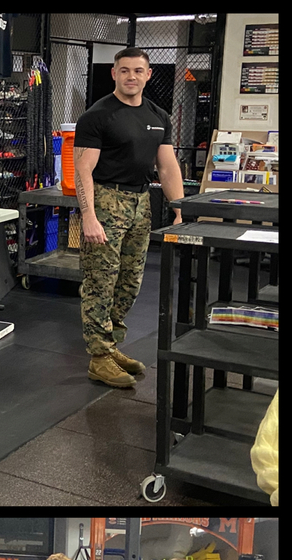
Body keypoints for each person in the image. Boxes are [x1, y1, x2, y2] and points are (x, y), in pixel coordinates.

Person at [74, 46, 183, 388]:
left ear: (148, 75)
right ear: (114, 74)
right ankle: (98, 357)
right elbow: (82, 170)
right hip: (107, 200)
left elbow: (166, 167)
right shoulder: (98, 115)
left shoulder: (158, 116)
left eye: (138, 70)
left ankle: (111, 344)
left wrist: (181, 209)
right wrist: (88, 216)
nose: (131, 76)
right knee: (100, 281)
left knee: (130, 282)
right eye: (125, 70)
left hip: (141, 203)